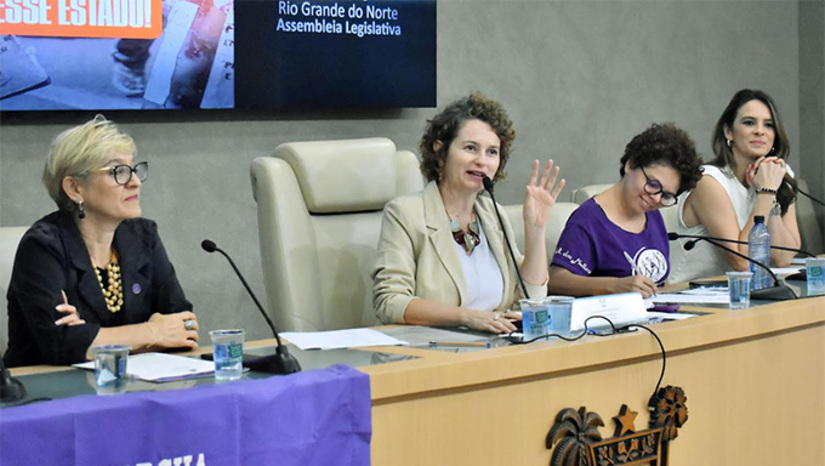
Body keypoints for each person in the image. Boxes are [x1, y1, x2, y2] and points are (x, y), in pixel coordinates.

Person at [3, 115, 198, 367]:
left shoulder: (142, 236)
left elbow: (185, 325)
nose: (135, 182)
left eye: (134, 169)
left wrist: (93, 340)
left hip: (133, 386)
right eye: (119, 172)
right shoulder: (42, 246)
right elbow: (60, 345)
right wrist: (153, 333)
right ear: (74, 188)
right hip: (47, 394)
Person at [372, 92, 565, 334]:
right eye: (471, 148)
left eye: (492, 152)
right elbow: (390, 302)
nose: (482, 161)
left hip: (496, 348)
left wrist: (535, 230)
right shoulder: (405, 214)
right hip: (435, 353)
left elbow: (531, 296)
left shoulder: (492, 214)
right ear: (440, 151)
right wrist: (470, 317)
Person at [548, 123, 703, 298]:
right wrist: (614, 285)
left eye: (666, 196)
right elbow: (555, 281)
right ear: (631, 165)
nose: (656, 199)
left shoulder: (653, 216)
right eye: (653, 184)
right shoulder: (588, 220)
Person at [669, 89, 800, 283]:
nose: (760, 131)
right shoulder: (708, 180)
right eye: (749, 122)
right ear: (728, 131)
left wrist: (771, 193)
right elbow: (742, 262)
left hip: (744, 294)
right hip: (690, 295)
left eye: (769, 125)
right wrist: (765, 193)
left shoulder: (778, 175)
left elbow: (783, 257)